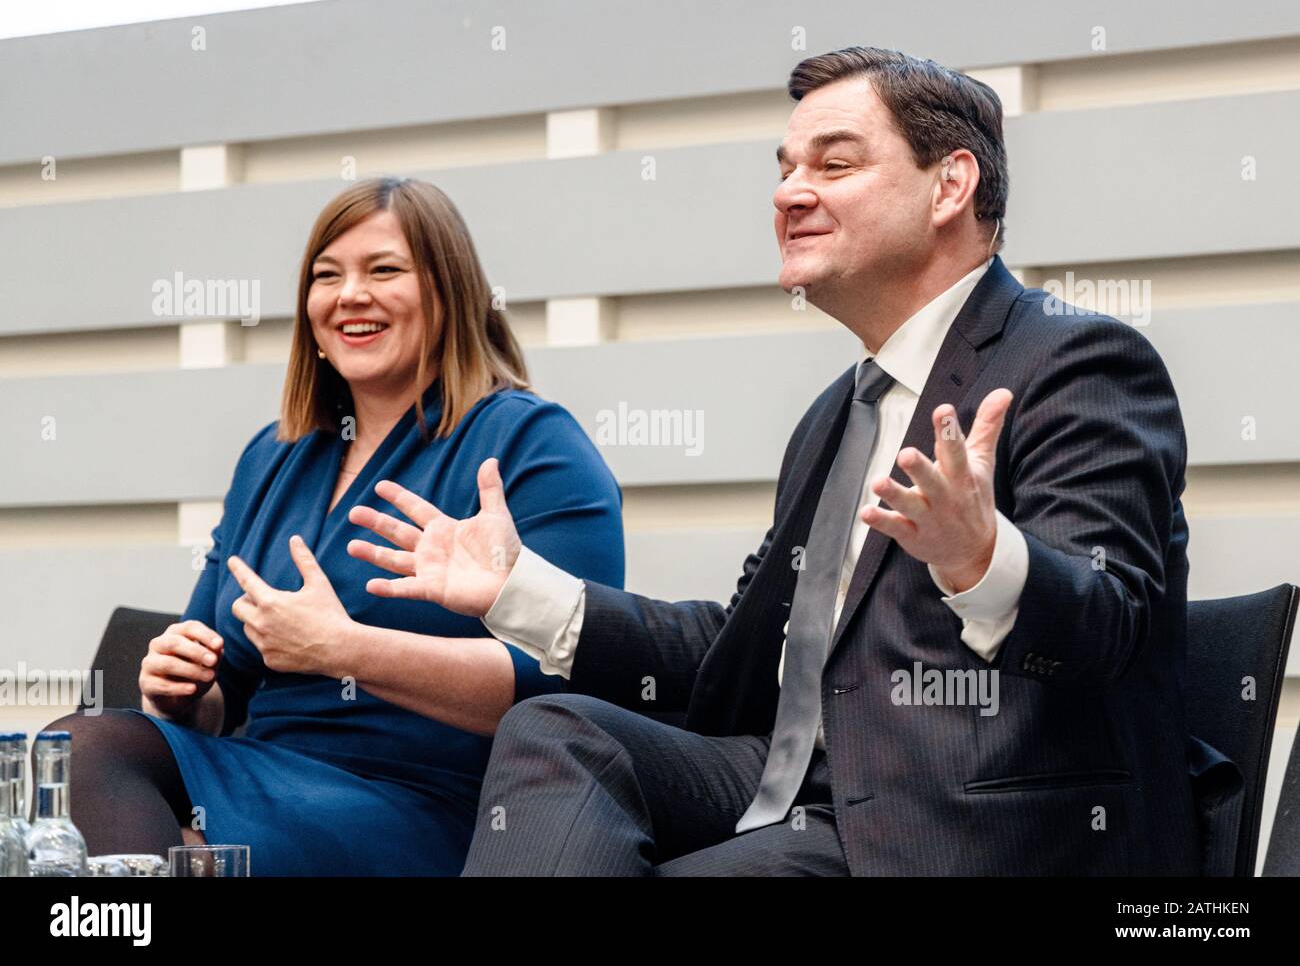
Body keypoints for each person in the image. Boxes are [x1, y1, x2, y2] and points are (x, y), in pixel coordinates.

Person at [350, 48, 1200, 876]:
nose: (790, 192)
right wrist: (519, 591)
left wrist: (980, 559)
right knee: (555, 729)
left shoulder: (1080, 361)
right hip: (793, 789)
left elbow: (1108, 622)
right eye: (786, 167)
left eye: (834, 165)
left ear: (951, 185)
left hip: (970, 820)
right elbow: (739, 651)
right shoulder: (838, 412)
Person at [43, 176, 624, 876]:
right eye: (327, 275)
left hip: (434, 802)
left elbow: (561, 681)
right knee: (77, 752)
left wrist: (346, 648)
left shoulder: (533, 443)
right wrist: (182, 688)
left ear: (449, 292)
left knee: (177, 860)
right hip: (263, 768)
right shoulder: (274, 455)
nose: (350, 294)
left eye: (384, 270)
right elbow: (222, 682)